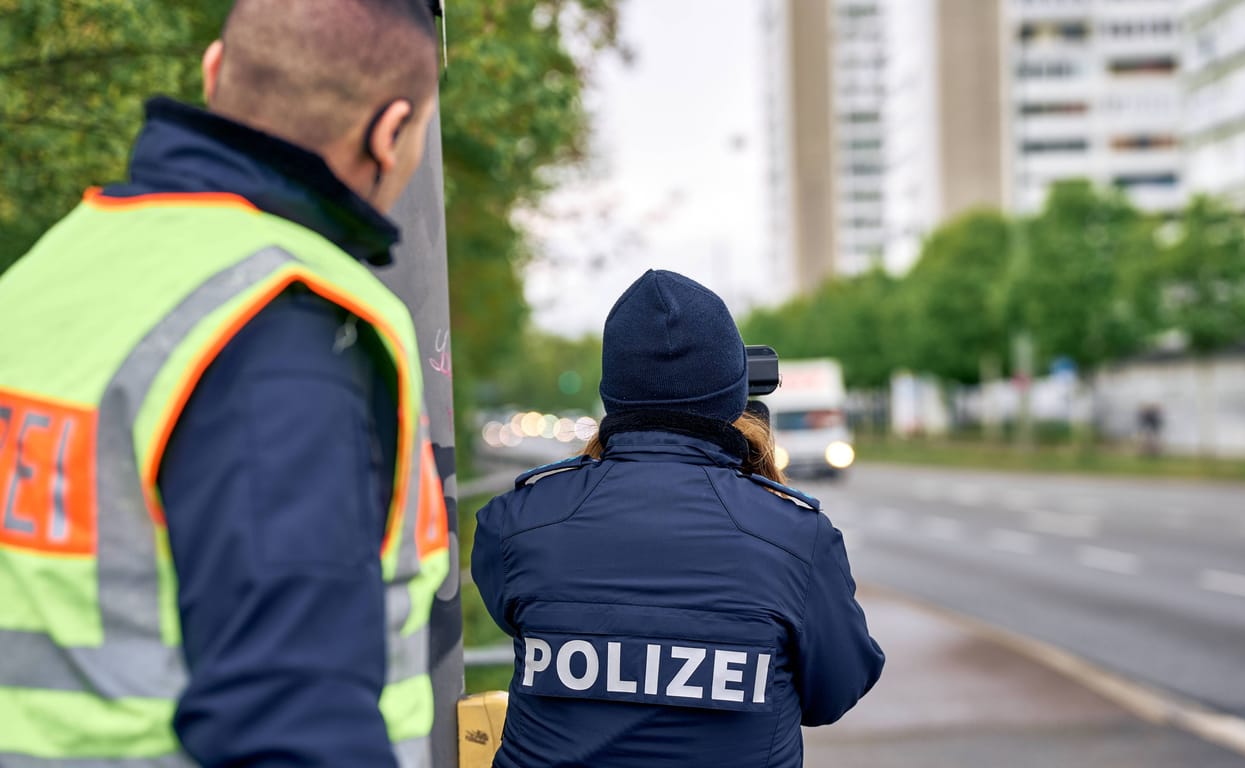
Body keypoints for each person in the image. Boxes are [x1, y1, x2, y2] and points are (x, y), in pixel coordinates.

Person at [0, 1, 451, 765]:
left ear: (214, 72)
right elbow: (289, 723)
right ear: (391, 131)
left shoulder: (49, 271)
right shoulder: (285, 319)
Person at [472, 270, 884, 768]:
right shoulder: (796, 536)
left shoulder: (516, 522)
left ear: (614, 392)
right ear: (734, 395)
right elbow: (834, 692)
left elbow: (513, 612)